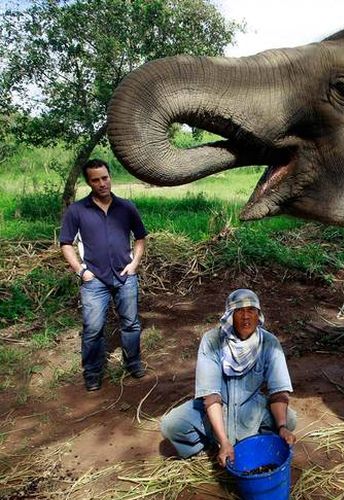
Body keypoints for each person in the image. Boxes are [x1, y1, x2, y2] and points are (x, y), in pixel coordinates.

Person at [161, 289, 297, 467]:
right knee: (171, 426)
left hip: (251, 406)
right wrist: (224, 441)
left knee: (290, 420)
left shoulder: (269, 343)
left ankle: (254, 439)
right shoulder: (212, 341)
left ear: (259, 315)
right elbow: (211, 396)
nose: (246, 317)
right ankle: (211, 443)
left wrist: (282, 427)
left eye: (251, 310)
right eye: (239, 311)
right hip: (217, 407)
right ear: (229, 316)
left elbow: (279, 392)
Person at [59, 159, 148, 392]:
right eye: (95, 180)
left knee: (130, 323)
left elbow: (140, 237)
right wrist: (81, 270)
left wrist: (135, 263)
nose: (101, 183)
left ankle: (133, 363)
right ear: (88, 182)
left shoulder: (127, 207)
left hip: (125, 276)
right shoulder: (77, 210)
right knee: (93, 328)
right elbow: (66, 243)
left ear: (110, 177)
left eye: (105, 178)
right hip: (94, 279)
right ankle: (93, 372)